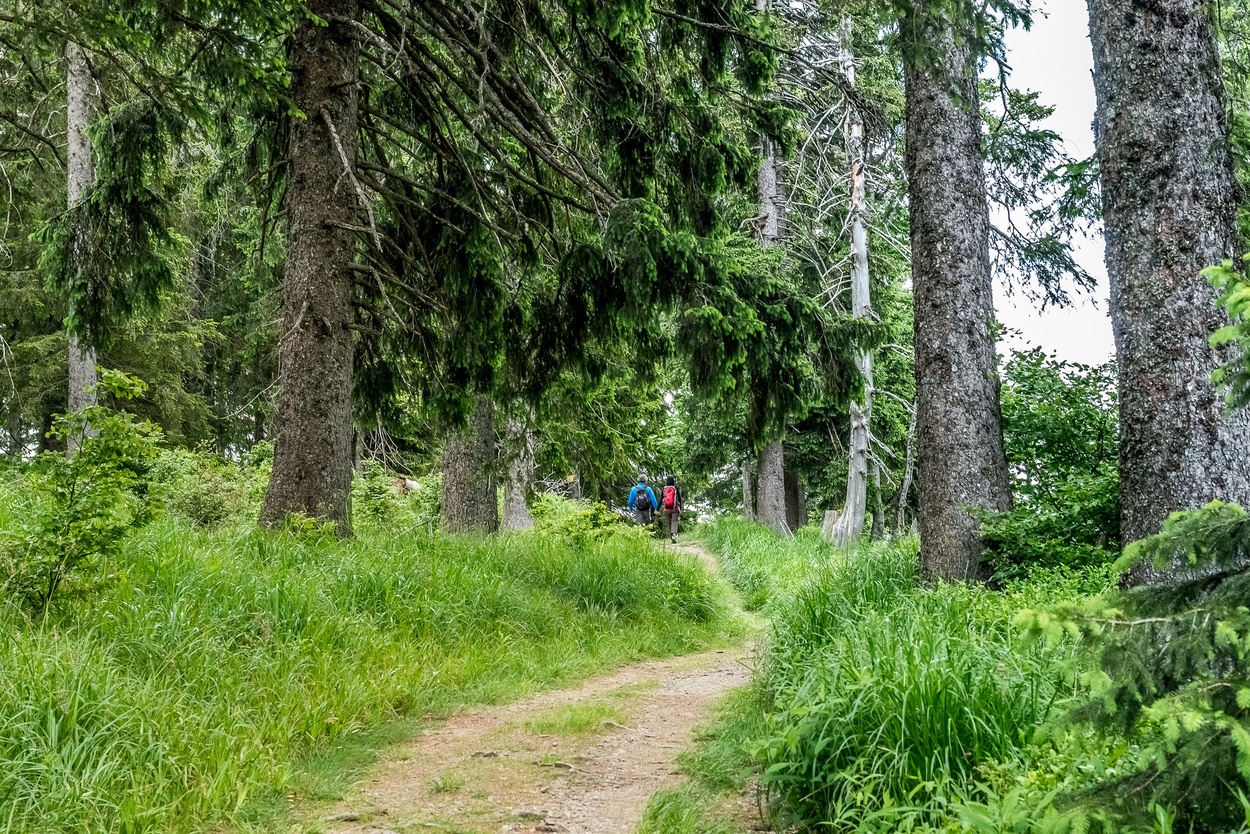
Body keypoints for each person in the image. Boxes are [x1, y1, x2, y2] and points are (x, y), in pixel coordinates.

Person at [660, 475, 683, 543]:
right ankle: (673, 535)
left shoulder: (664, 489)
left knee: (669, 522)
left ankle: (671, 536)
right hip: (675, 508)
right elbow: (680, 499)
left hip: (666, 509)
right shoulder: (675, 488)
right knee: (674, 521)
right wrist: (680, 508)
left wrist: (657, 509)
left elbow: (660, 500)